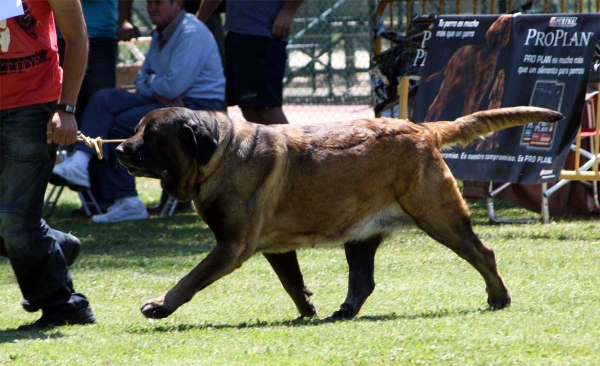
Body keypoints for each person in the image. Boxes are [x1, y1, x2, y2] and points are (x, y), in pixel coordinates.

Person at [50, 0, 225, 224]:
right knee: (104, 98)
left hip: (198, 106)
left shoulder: (190, 32)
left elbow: (172, 87)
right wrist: (156, 86)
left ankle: (127, 200)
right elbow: (141, 81)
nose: (152, 8)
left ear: (177, 4)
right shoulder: (160, 33)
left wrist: (153, 83)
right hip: (169, 102)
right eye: (149, 3)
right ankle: (81, 160)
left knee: (122, 123)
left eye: (158, 3)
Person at [0, 0, 96, 330]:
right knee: (15, 224)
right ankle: (55, 246)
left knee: (15, 220)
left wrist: (66, 107)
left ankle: (65, 306)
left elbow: (78, 38)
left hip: (32, 105)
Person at [56, 0, 141, 214]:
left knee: (100, 118)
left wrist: (123, 19)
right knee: (71, 119)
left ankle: (109, 197)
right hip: (58, 36)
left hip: (100, 36)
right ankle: (90, 201)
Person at [197, 0, 304, 125]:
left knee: (267, 110)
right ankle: (271, 145)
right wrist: (198, 22)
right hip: (237, 33)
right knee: (249, 107)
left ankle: (297, 145)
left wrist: (287, 13)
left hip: (264, 35)